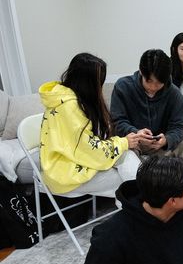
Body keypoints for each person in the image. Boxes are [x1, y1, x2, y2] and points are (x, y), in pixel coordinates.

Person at [39, 53, 140, 195]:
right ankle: (143, 204)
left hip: (67, 164)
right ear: (88, 84)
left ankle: (144, 202)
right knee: (127, 182)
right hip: (64, 175)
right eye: (99, 83)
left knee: (127, 162)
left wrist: (123, 143)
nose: (100, 88)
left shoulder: (63, 97)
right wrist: (124, 142)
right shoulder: (69, 107)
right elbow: (90, 149)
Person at [111, 49, 183, 165]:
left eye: (159, 83)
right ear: (141, 71)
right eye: (149, 81)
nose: (153, 87)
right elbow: (117, 121)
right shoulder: (123, 87)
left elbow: (180, 126)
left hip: (160, 146)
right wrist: (136, 133)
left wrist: (167, 140)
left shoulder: (173, 93)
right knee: (125, 151)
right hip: (133, 143)